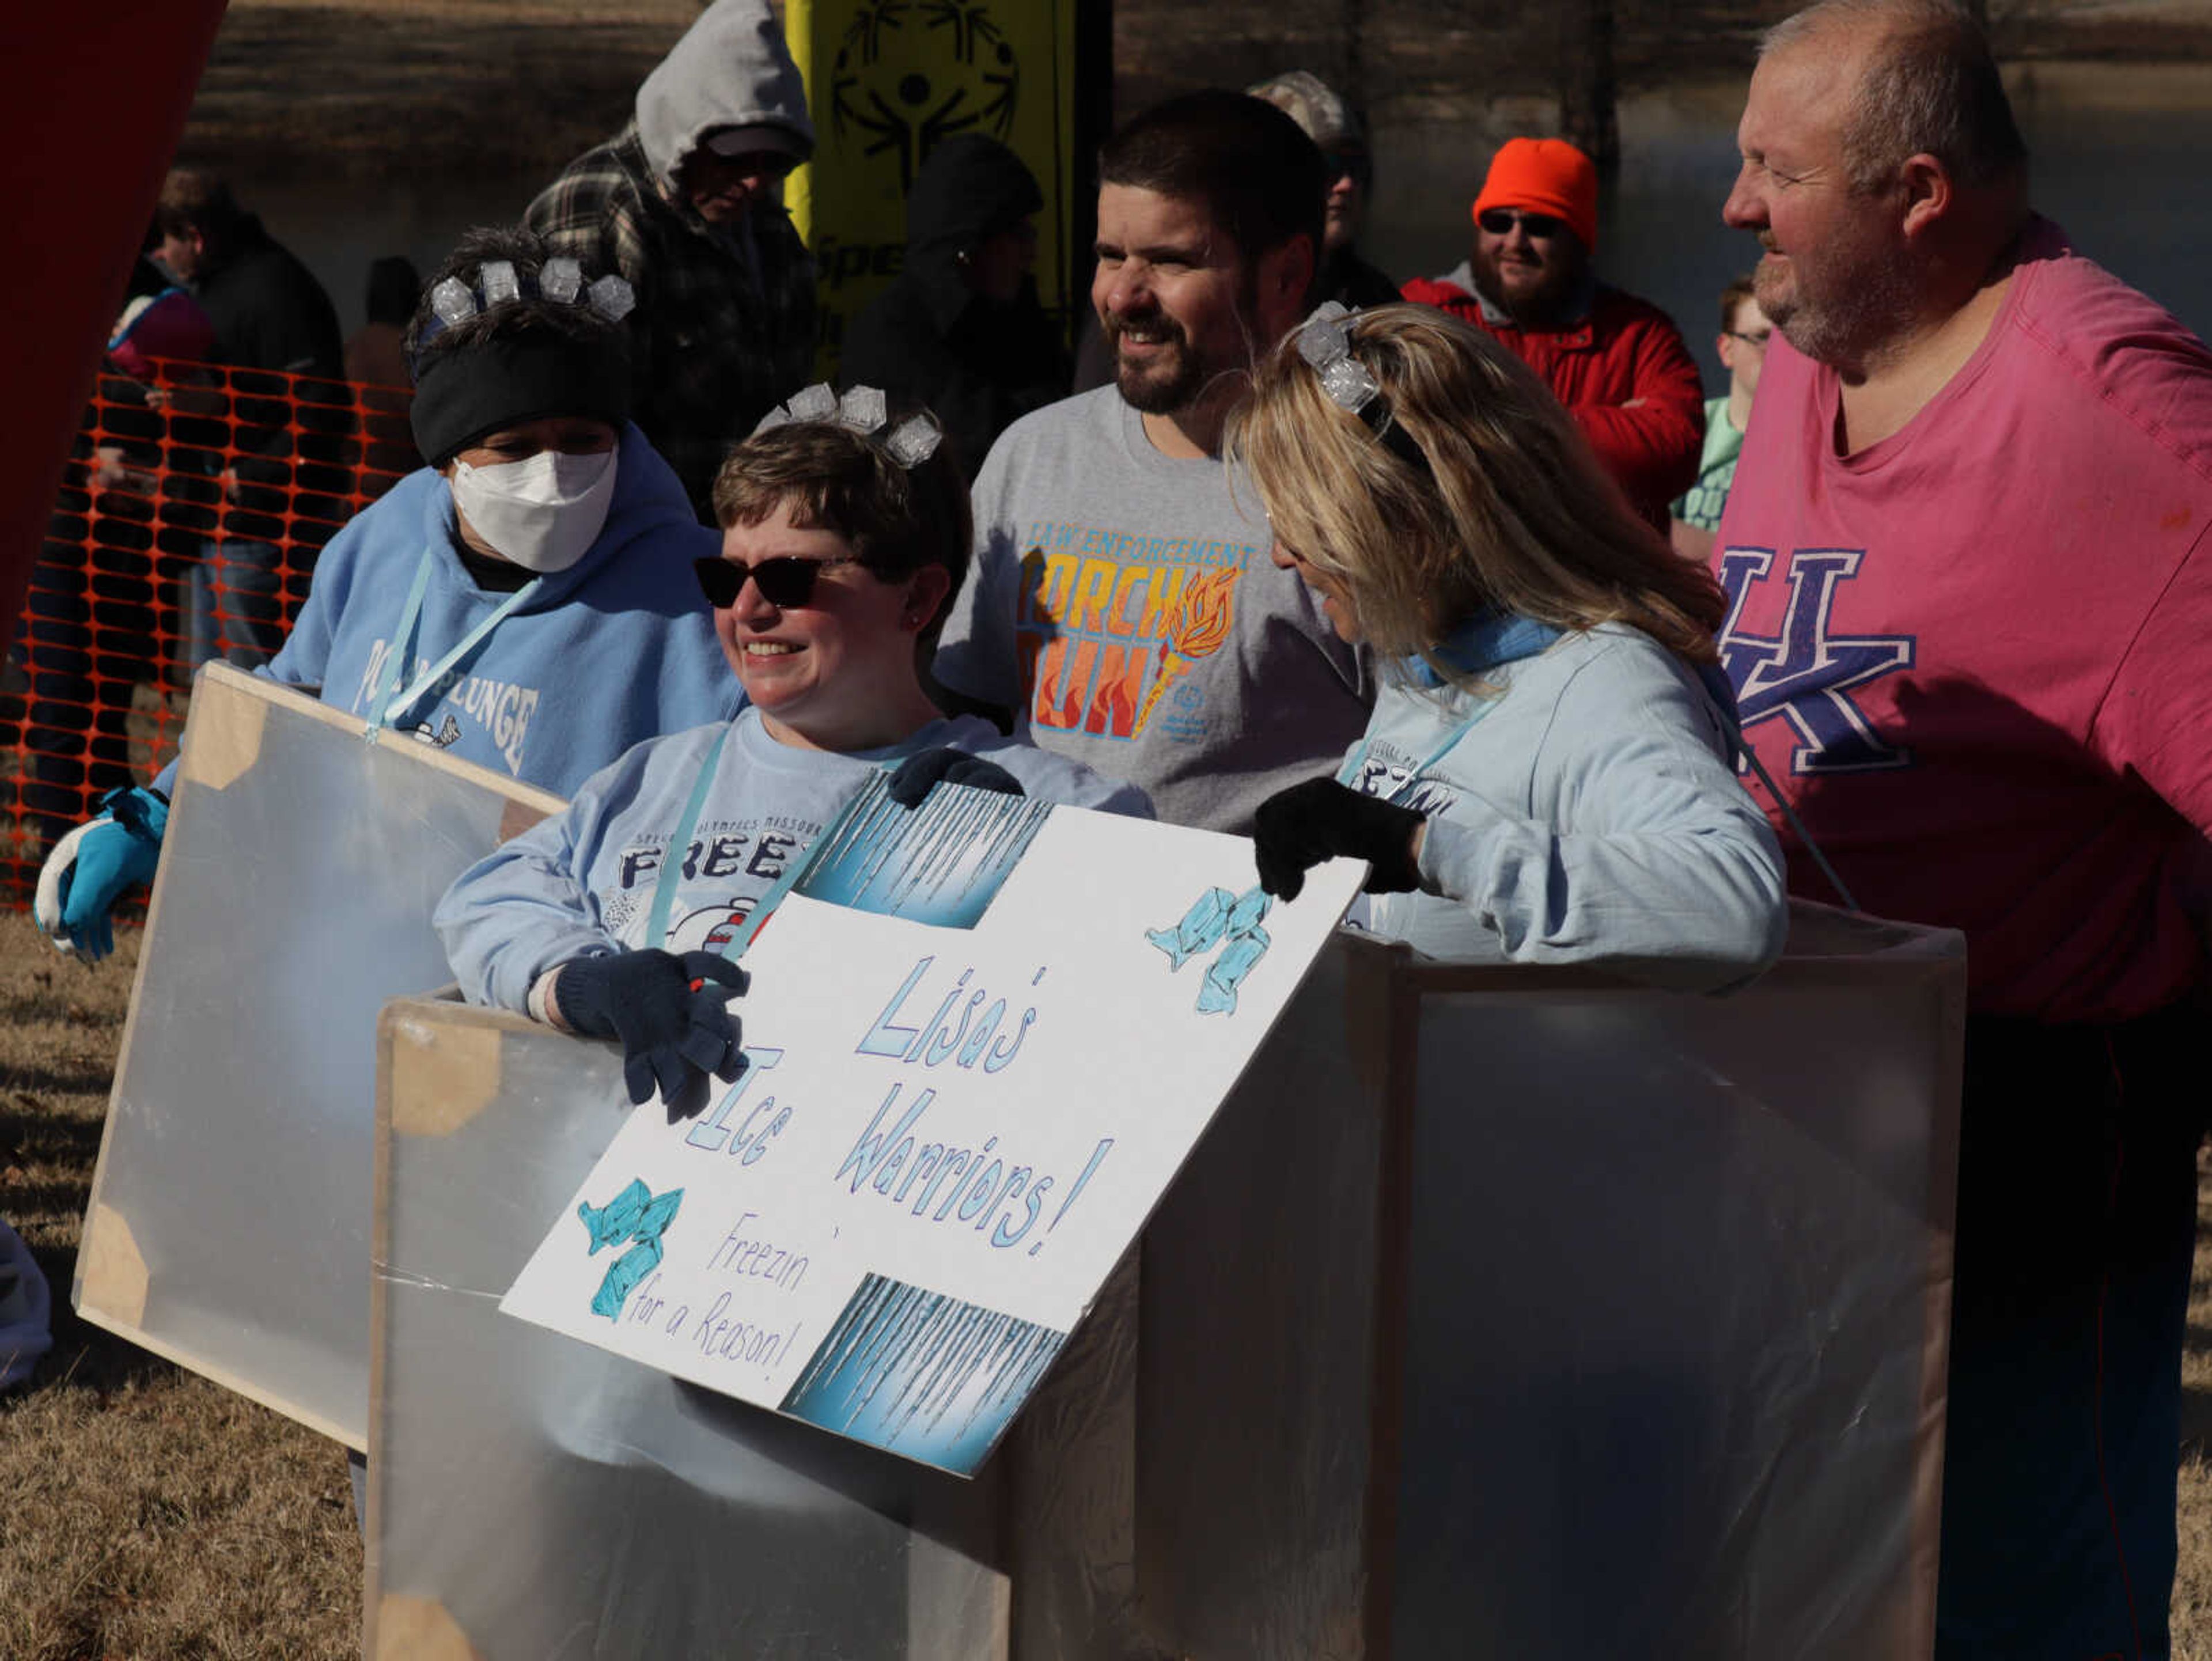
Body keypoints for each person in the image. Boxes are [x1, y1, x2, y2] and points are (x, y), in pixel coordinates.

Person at [1714, 3, 2212, 1654]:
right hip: (1793, 1073)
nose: (1732, 207)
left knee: (2013, 1595)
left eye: (1774, 173)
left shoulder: (2118, 428)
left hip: (2034, 1111)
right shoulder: (1818, 348)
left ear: (1918, 193)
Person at [35, 226, 745, 961]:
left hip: (558, 982)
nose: (554, 471)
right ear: (447, 456)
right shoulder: (382, 539)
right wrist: (160, 809)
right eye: (514, 447)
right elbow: (285, 702)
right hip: (344, 954)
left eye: (582, 438)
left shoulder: (704, 596)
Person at [435, 392, 1151, 1116]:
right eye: (725, 577)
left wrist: (1043, 877)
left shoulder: (1052, 801)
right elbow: (483, 903)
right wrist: (582, 984)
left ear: (919, 598)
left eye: (788, 577)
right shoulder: (650, 776)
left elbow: (1151, 977)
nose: (747, 609)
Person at [1234, 302, 1786, 984]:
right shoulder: (1431, 659)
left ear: (1410, 516)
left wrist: (1418, 848)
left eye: (1305, 521)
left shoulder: (1606, 681)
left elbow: (1735, 904)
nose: (1282, 553)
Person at [932, 90, 1373, 835]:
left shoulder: (1367, 478)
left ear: (1288, 273)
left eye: (1170, 261)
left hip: (1256, 931)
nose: (1122, 295)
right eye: (1110, 255)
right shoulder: (1035, 453)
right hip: (1044, 911)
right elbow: (965, 706)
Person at [525, 0, 816, 517]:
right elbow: (565, 425)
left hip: (752, 532)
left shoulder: (768, 228)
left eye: (774, 162)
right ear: (687, 134)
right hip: (638, 538)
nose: (753, 180)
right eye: (735, 157)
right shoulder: (597, 212)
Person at [1402, 137, 1704, 532]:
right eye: (1498, 221)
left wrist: (1486, 424)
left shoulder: (1641, 333)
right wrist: (1595, 434)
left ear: (1580, 240)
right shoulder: (1424, 313)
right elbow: (1397, 446)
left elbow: (1674, 452)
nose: (1515, 242)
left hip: (1609, 585)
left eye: (1539, 225)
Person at [152, 168, 350, 670]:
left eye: (162, 242)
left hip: (270, 529)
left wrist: (253, 475)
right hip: (218, 522)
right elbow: (245, 391)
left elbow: (322, 409)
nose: (157, 255)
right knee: (211, 689)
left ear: (195, 238)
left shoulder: (274, 288)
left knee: (260, 692)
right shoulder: (211, 285)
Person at [840, 135, 1071, 481]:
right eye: (1019, 235)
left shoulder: (1021, 323)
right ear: (969, 247)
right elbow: (913, 460)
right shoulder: (889, 338)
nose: (1031, 252)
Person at [1247, 71, 1398, 309]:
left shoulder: (1378, 299)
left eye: (1356, 165)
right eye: (1327, 165)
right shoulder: (1222, 296)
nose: (1347, 184)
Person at [1669, 274, 1770, 562]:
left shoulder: (1817, 440)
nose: (1777, 352)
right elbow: (1645, 527)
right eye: (1761, 338)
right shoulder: (1688, 425)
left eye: (1789, 340)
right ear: (1727, 350)